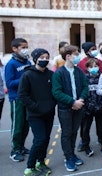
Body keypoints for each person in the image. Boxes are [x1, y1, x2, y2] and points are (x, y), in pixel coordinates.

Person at [18, 48, 56, 176]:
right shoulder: (27, 75)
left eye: (47, 57)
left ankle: (41, 161)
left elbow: (55, 92)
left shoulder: (50, 74)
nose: (45, 60)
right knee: (39, 139)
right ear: (35, 59)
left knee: (46, 139)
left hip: (49, 113)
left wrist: (51, 105)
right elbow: (22, 95)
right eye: (42, 57)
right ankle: (30, 167)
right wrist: (35, 107)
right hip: (35, 114)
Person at [52, 45, 88, 172]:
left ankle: (72, 154)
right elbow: (57, 92)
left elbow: (85, 86)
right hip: (65, 109)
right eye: (76, 54)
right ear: (68, 56)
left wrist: (81, 100)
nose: (78, 56)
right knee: (66, 133)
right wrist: (72, 102)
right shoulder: (59, 73)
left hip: (78, 107)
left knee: (74, 132)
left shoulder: (79, 71)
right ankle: (68, 157)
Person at [5, 38, 32, 162]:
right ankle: (15, 150)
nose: (25, 50)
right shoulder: (11, 64)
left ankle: (21, 146)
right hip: (17, 99)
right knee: (17, 125)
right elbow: (9, 83)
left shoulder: (27, 61)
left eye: (27, 47)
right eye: (23, 47)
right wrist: (24, 79)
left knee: (26, 124)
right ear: (14, 49)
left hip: (28, 98)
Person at [78, 58, 102, 157]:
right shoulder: (84, 78)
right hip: (87, 108)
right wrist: (85, 105)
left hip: (100, 107)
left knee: (101, 128)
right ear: (87, 68)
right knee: (85, 128)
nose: (94, 68)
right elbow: (81, 92)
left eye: (95, 66)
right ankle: (86, 146)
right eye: (91, 67)